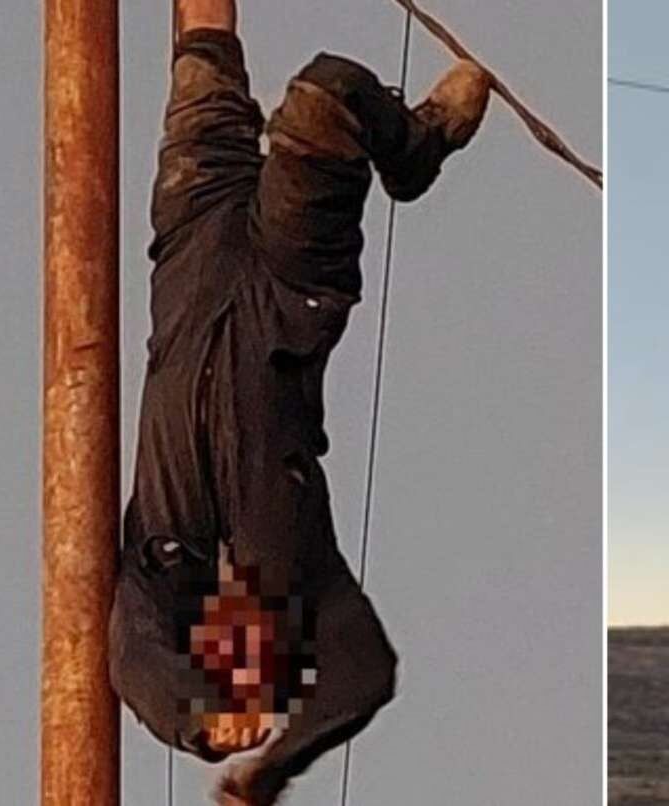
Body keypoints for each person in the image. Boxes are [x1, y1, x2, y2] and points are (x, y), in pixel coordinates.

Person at [107, 1, 490, 803]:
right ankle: (414, 149)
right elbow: (365, 675)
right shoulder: (306, 579)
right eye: (259, 670)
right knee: (326, 94)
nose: (242, 662)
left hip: (190, 242)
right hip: (290, 287)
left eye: (226, 668)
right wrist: (274, 771)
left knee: (202, 58)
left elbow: (129, 658)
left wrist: (203, 721)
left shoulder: (158, 570)